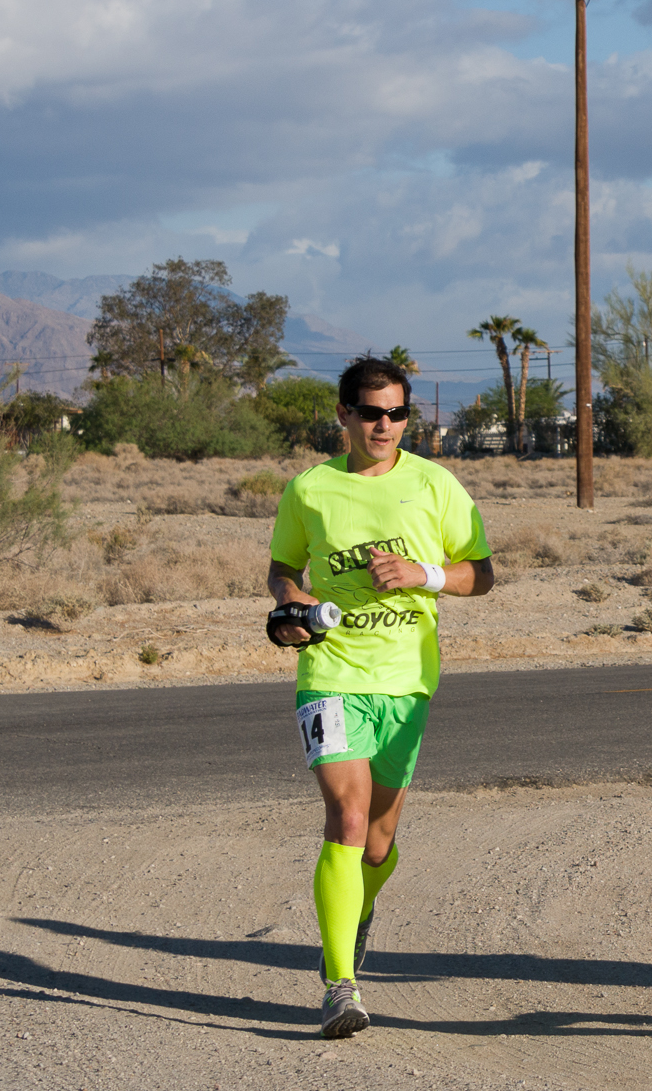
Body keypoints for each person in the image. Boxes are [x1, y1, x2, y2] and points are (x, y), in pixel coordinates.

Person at [266, 355, 494, 1039]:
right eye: (372, 412)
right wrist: (295, 603)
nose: (386, 425)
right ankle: (340, 985)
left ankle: (357, 911)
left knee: (378, 839)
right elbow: (283, 569)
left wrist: (421, 573)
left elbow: (480, 574)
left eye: (398, 412)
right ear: (344, 415)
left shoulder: (435, 483)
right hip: (331, 672)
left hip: (406, 680)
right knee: (347, 815)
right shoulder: (309, 489)